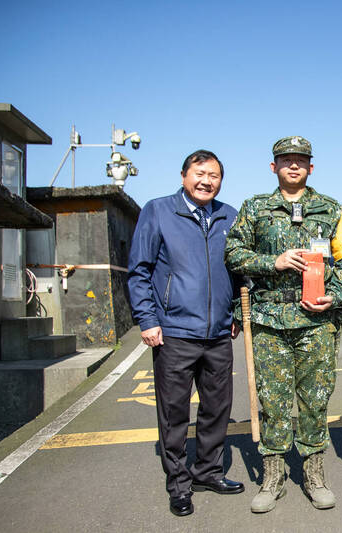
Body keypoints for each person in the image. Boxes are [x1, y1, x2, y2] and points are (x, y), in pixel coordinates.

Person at [225, 136, 342, 513]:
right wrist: (273, 262)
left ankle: (314, 474)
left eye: (301, 160)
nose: (294, 165)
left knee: (315, 399)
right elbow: (233, 253)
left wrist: (336, 293)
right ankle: (273, 476)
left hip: (315, 320)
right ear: (274, 167)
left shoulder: (330, 209)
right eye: (286, 160)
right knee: (273, 400)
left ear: (311, 167)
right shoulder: (255, 208)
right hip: (269, 319)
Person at [127, 150, 244, 517]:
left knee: (217, 408)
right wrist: (147, 319)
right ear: (183, 176)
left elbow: (239, 271)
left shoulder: (229, 216)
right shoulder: (159, 211)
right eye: (199, 173)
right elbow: (139, 270)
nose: (206, 181)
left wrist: (237, 313)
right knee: (174, 413)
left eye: (214, 175)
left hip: (218, 334)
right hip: (174, 332)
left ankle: (208, 472)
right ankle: (178, 484)